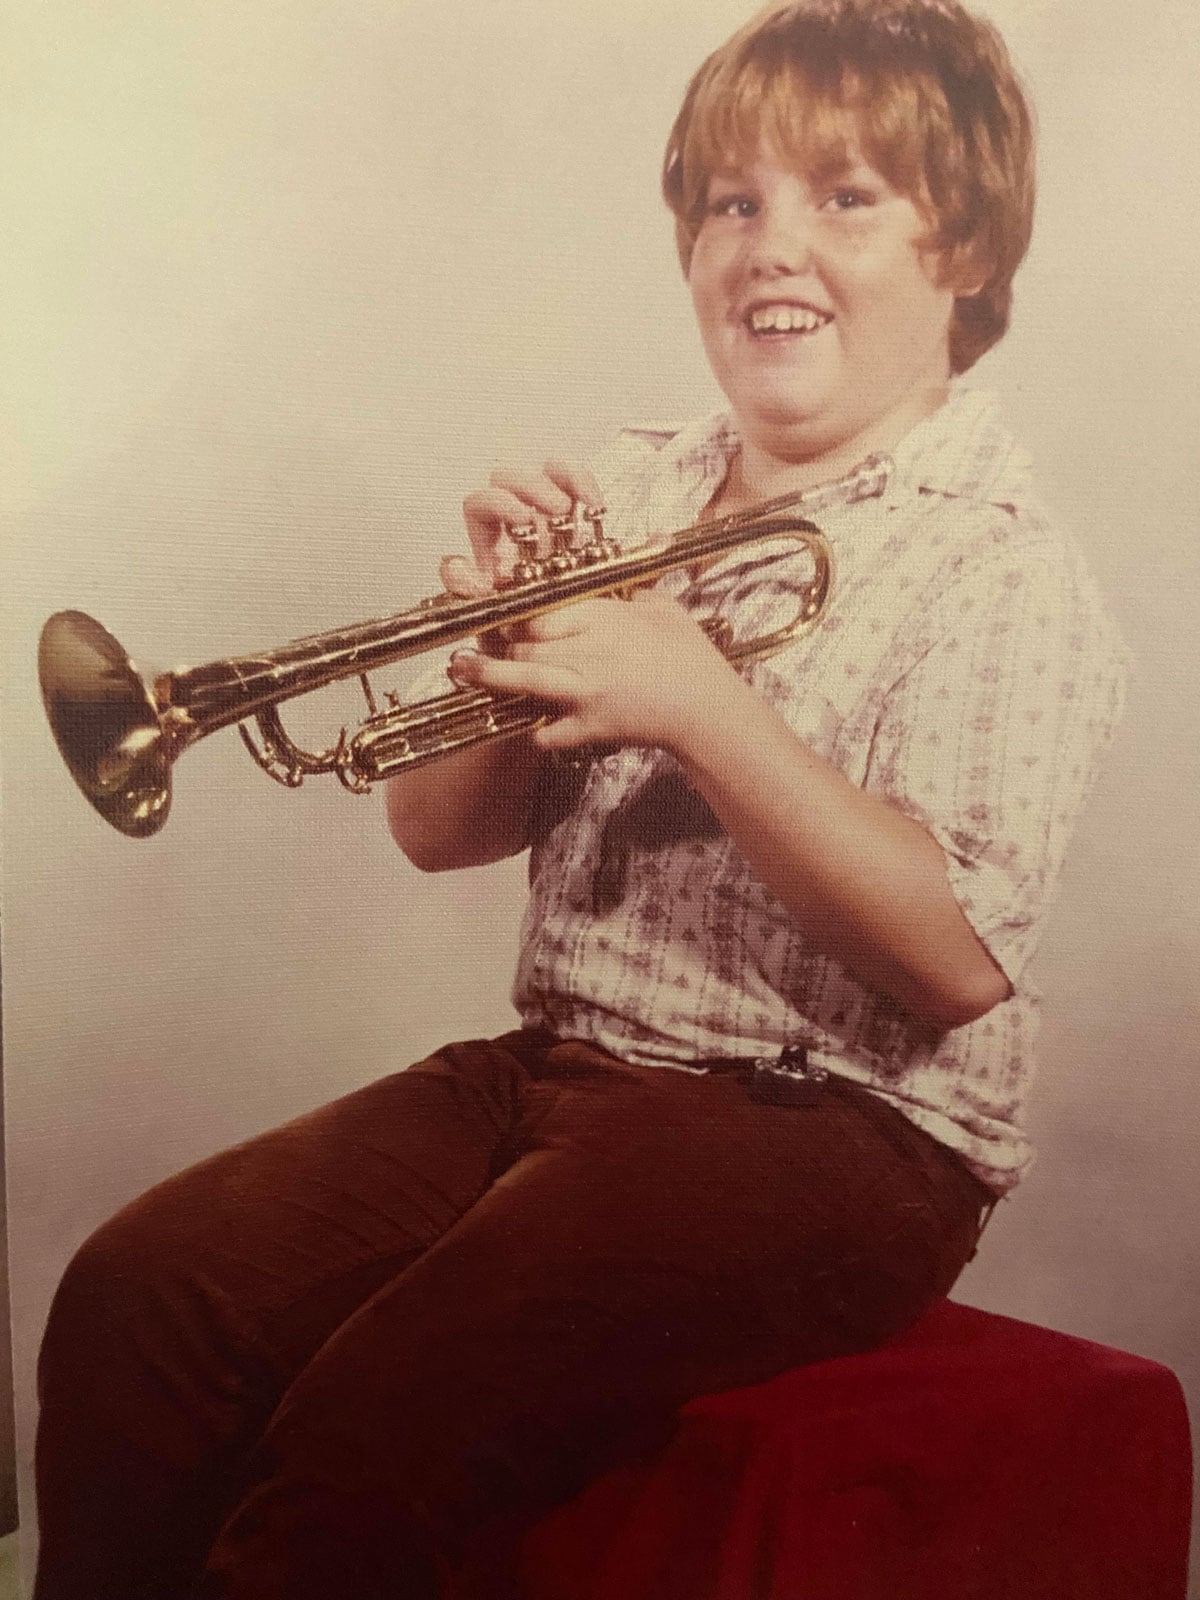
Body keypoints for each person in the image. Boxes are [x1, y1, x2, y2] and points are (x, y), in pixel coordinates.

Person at [32, 2, 1128, 1596]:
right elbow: (437, 831)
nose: (771, 248)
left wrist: (703, 708)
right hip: (562, 1070)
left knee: (384, 1413)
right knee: (142, 1295)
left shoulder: (998, 561)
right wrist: (496, 649)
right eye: (731, 203)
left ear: (959, 246)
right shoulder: (638, 487)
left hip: (841, 1131)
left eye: (844, 198)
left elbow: (954, 959)